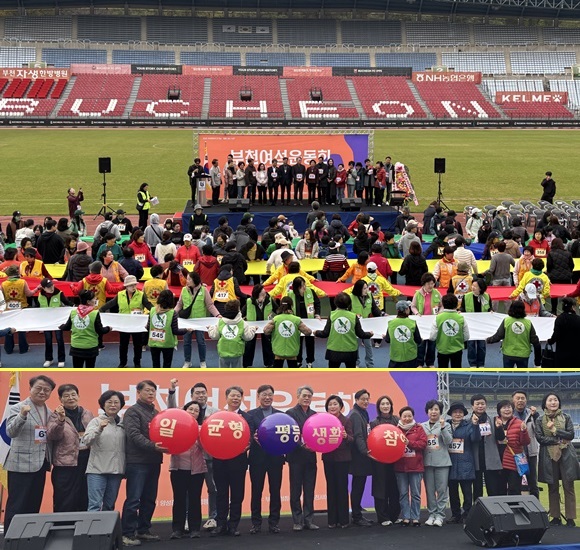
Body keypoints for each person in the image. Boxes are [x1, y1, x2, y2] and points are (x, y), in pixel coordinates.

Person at [3, 375, 55, 532]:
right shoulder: (17, 408)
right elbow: (10, 432)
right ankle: (11, 537)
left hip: (40, 464)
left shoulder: (50, 412)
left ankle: (28, 536)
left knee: (33, 504)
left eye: (46, 390)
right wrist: (22, 415)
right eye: (38, 388)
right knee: (17, 504)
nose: (42, 392)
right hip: (21, 463)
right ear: (30, 388)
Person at [121, 380, 168, 546]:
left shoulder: (156, 413)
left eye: (153, 391)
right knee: (134, 499)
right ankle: (127, 533)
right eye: (147, 390)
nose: (151, 393)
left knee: (149, 499)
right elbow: (134, 435)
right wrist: (153, 446)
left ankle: (143, 530)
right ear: (138, 392)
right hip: (137, 462)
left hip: (154, 461)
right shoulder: (132, 412)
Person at [46, 384, 93, 512]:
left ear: (78, 396)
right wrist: (61, 420)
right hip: (65, 464)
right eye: (66, 396)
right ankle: (63, 523)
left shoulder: (87, 413)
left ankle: (82, 523)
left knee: (84, 496)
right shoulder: (55, 416)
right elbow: (53, 435)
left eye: (73, 395)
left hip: (86, 462)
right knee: (64, 498)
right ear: (60, 399)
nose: (71, 398)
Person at [535, 392, 579, 527]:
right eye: (550, 400)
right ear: (545, 404)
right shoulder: (540, 420)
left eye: (555, 400)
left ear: (559, 402)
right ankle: (555, 516)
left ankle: (570, 518)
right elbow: (540, 438)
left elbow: (570, 435)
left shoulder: (566, 417)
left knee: (568, 486)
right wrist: (558, 439)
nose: (553, 402)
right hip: (548, 456)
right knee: (552, 486)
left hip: (567, 455)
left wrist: (555, 430)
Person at [210, 386, 249, 537]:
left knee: (237, 495)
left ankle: (233, 525)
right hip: (220, 462)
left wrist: (248, 445)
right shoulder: (217, 417)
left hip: (238, 462)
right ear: (226, 398)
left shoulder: (247, 417)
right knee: (221, 494)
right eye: (233, 395)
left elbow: (251, 436)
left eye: (238, 396)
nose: (235, 398)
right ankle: (220, 524)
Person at [246, 385, 285, 534]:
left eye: (270, 395)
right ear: (258, 396)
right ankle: (256, 523)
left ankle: (274, 523)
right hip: (257, 459)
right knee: (256, 491)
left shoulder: (281, 415)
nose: (267, 397)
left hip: (275, 459)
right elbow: (247, 435)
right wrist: (253, 438)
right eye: (264, 394)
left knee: (275, 491)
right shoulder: (250, 415)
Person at [82, 390, 126, 512]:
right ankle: (92, 526)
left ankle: (108, 526)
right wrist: (99, 428)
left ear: (121, 405)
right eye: (109, 402)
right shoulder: (96, 421)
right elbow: (86, 441)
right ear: (103, 404)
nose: (113, 405)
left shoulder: (123, 423)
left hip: (116, 472)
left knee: (109, 506)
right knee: (94, 506)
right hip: (97, 471)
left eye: (116, 402)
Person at [169, 399, 207, 539]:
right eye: (190, 409)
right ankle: (177, 529)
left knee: (194, 499)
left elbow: (206, 447)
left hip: (197, 470)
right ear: (184, 410)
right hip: (178, 469)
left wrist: (197, 436)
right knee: (179, 499)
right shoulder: (175, 426)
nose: (193, 412)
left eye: (196, 411)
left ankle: (194, 529)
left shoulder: (201, 429)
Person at [100, 275, 152, 368]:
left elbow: (149, 305)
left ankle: (137, 363)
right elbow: (110, 304)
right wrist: (100, 310)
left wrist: (156, 312)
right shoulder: (120, 295)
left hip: (137, 324)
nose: (133, 287)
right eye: (131, 285)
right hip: (123, 324)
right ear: (126, 286)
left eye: (134, 285)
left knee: (138, 345)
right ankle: (122, 362)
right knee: (123, 345)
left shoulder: (141, 295)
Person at [286, 386, 318, 531]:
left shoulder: (314, 415)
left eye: (309, 396)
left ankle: (309, 520)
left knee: (309, 490)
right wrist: (302, 445)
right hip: (296, 457)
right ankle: (297, 521)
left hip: (311, 458)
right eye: (304, 395)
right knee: (295, 490)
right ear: (298, 396)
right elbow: (290, 434)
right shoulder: (290, 413)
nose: (306, 398)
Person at [314, 292, 373, 369]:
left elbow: (325, 333)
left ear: (335, 303)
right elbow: (360, 334)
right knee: (350, 374)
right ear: (349, 304)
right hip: (350, 351)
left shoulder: (332, 315)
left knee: (332, 374)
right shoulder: (353, 316)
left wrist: (316, 333)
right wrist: (370, 334)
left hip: (334, 350)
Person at [175, 271, 220, 369]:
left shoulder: (204, 290)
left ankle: (202, 362)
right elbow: (179, 304)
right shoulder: (184, 290)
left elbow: (210, 305)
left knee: (201, 341)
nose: (187, 281)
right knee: (186, 342)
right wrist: (173, 313)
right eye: (187, 279)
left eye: (189, 279)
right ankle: (187, 361)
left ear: (194, 280)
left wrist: (218, 315)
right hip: (187, 321)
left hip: (200, 322)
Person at [322, 395, 353, 529]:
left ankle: (344, 520)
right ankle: (332, 520)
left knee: (341, 488)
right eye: (330, 404)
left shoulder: (346, 421)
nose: (332, 407)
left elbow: (352, 439)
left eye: (335, 404)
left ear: (341, 406)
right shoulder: (324, 421)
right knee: (331, 488)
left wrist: (346, 436)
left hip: (342, 459)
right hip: (328, 458)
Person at [446, 402, 480, 524]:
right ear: (451, 414)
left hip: (465, 462)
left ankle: (467, 514)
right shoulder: (446, 425)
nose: (458, 414)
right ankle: (455, 514)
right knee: (453, 492)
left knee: (467, 492)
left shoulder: (469, 425)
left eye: (460, 412)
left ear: (464, 414)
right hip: (450, 463)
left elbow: (475, 439)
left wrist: (475, 425)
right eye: (455, 412)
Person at [59, 289, 110, 368]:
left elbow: (67, 327)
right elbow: (100, 330)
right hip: (90, 347)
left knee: (77, 371)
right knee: (89, 370)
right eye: (94, 298)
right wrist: (108, 328)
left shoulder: (73, 312)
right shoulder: (95, 313)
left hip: (76, 347)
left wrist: (60, 326)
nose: (95, 299)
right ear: (88, 301)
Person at [394, 406, 427, 526]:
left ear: (413, 417)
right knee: (403, 493)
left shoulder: (419, 428)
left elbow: (423, 444)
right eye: (404, 416)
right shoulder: (396, 430)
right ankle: (406, 517)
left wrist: (409, 443)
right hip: (400, 467)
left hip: (415, 466)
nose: (407, 418)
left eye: (409, 416)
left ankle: (415, 517)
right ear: (400, 417)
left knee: (415, 494)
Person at [421, 399, 452, 528]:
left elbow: (449, 441)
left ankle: (440, 515)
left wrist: (443, 427)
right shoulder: (421, 426)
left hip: (442, 462)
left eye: (436, 409)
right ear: (427, 412)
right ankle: (432, 514)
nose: (433, 412)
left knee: (442, 490)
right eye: (431, 409)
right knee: (429, 490)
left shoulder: (446, 425)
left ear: (440, 412)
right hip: (427, 462)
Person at [370, 396, 400, 526]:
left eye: (388, 403)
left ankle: (394, 515)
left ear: (391, 406)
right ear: (378, 407)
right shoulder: (374, 423)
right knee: (380, 488)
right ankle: (382, 517)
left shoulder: (397, 421)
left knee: (395, 488)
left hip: (396, 460)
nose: (385, 406)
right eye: (383, 404)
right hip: (379, 461)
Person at [486, 300, 542, 368]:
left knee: (508, 374)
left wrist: (488, 340)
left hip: (508, 353)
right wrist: (537, 362)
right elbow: (536, 342)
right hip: (523, 354)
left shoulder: (506, 321)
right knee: (522, 374)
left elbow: (498, 336)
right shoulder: (528, 323)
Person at [348, 389, 375, 527]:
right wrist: (365, 451)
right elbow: (358, 435)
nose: (365, 401)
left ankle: (358, 513)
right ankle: (356, 516)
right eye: (363, 399)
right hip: (359, 456)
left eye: (367, 399)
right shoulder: (355, 414)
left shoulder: (362, 413)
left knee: (359, 485)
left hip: (362, 455)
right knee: (357, 486)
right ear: (356, 400)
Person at [469, 395, 504, 500]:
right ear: (472, 406)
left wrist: (499, 428)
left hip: (490, 460)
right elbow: (471, 439)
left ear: (486, 405)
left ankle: (493, 510)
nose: (480, 406)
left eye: (482, 404)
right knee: (477, 490)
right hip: (475, 460)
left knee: (493, 490)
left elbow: (501, 438)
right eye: (477, 404)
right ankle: (477, 510)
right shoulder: (467, 422)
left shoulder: (493, 420)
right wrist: (474, 424)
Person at [262, 297, 313, 368]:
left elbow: (266, 331)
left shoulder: (276, 319)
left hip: (278, 351)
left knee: (276, 372)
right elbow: (308, 332)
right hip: (292, 351)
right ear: (292, 306)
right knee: (292, 373)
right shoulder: (296, 320)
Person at [147, 289, 191, 368]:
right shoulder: (172, 313)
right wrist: (186, 330)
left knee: (155, 365)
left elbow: (148, 327)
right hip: (167, 343)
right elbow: (175, 331)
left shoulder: (152, 310)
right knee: (167, 366)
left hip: (154, 342)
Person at [494, 400, 530, 495]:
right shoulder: (493, 422)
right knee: (499, 490)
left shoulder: (519, 423)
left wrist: (524, 431)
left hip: (513, 462)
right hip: (497, 462)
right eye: (504, 407)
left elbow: (525, 442)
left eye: (509, 407)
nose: (507, 410)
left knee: (514, 490)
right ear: (499, 410)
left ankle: (515, 506)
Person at [208, 299, 257, 368]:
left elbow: (214, 336)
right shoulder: (242, 323)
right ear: (238, 309)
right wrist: (253, 329)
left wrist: (210, 328)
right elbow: (248, 337)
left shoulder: (221, 322)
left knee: (223, 373)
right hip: (237, 352)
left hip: (223, 351)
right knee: (237, 373)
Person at [38, 277, 72, 368]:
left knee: (59, 339)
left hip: (58, 321)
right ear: (44, 288)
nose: (51, 288)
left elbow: (67, 302)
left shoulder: (59, 293)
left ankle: (61, 359)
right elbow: (37, 308)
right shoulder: (40, 295)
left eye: (52, 285)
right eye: (48, 287)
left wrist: (75, 307)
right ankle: (49, 359)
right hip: (47, 321)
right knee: (48, 340)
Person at [512, 391, 540, 498]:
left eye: (522, 398)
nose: (520, 400)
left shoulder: (532, 415)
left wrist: (536, 415)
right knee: (515, 484)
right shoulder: (510, 415)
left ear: (526, 400)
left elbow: (539, 431)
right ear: (513, 400)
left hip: (531, 453)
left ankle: (535, 506)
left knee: (533, 483)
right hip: (515, 454)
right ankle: (516, 506)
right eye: (517, 398)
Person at [350, 279, 383, 368]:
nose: (367, 290)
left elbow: (374, 309)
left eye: (367, 288)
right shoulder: (351, 297)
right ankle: (356, 363)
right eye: (364, 288)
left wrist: (382, 314)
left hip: (367, 324)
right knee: (354, 345)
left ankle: (370, 364)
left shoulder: (369, 295)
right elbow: (347, 311)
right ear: (359, 289)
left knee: (368, 345)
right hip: (355, 324)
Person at [429, 294, 470, 368]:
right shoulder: (461, 318)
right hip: (457, 349)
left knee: (442, 371)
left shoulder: (437, 318)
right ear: (456, 304)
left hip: (442, 349)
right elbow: (467, 336)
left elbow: (432, 337)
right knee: (457, 371)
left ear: (443, 304)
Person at [411, 273, 441, 368]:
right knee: (421, 344)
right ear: (424, 284)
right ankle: (419, 363)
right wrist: (416, 313)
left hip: (433, 322)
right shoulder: (417, 294)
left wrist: (440, 312)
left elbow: (442, 305)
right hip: (421, 323)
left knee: (432, 344)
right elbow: (413, 306)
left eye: (432, 283)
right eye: (428, 284)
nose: (431, 286)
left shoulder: (437, 293)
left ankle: (430, 363)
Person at [461, 278, 492, 367]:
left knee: (481, 345)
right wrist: (460, 311)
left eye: (475, 286)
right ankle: (472, 364)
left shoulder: (487, 296)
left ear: (481, 288)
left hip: (482, 324)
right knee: (471, 345)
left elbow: (489, 308)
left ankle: (481, 364)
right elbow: (463, 308)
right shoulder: (466, 297)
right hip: (470, 324)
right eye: (473, 285)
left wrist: (491, 311)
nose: (473, 287)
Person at [242, 284, 274, 368]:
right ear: (256, 294)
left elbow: (277, 310)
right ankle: (246, 364)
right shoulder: (249, 301)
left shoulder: (269, 300)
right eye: (262, 294)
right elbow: (242, 313)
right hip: (252, 327)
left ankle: (269, 363)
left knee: (268, 344)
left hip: (266, 326)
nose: (264, 296)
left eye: (264, 294)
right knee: (249, 345)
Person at [386, 300, 422, 368]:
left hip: (395, 357)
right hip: (410, 357)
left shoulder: (391, 323)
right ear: (406, 310)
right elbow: (418, 340)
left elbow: (387, 340)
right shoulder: (412, 323)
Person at [548, 297, 580, 365]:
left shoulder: (560, 319)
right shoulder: (578, 319)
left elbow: (556, 334)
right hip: (576, 353)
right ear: (572, 307)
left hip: (561, 353)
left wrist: (550, 341)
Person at [547, 237, 573, 313]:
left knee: (554, 295)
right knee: (567, 295)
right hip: (566, 278)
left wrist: (549, 273)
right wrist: (568, 272)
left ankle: (554, 310)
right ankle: (567, 310)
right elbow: (572, 265)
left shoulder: (551, 253)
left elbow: (549, 265)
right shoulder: (568, 253)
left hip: (554, 278)